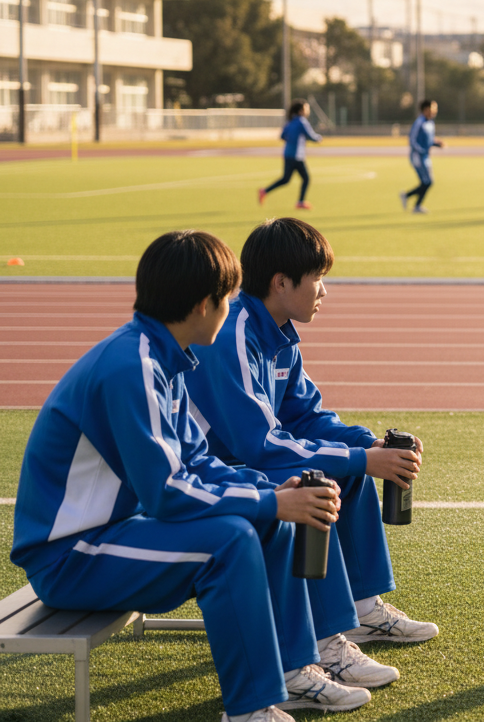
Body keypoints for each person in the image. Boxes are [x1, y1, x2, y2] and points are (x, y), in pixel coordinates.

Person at [11, 231, 370, 721]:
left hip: (116, 533)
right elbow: (166, 493)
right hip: (71, 554)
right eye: (227, 298)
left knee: (273, 519)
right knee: (230, 539)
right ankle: (249, 709)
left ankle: (291, 672)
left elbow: (199, 464)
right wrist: (268, 502)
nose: (233, 307)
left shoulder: (166, 357)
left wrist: (272, 493)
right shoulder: (130, 366)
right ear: (204, 305)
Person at [186, 218, 439, 688]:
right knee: (319, 481)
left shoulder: (278, 333)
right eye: (318, 279)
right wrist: (361, 458)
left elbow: (307, 415)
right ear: (281, 283)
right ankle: (324, 640)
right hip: (218, 473)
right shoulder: (236, 334)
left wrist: (367, 445)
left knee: (349, 461)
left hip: (246, 464)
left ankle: (361, 610)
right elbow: (258, 444)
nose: (325, 291)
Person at [259, 100, 322, 211]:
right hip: (297, 155)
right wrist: (319, 138)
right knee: (306, 178)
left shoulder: (290, 122)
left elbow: (282, 136)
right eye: (306, 108)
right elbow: (311, 136)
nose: (308, 111)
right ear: (301, 110)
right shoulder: (302, 121)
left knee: (286, 179)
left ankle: (265, 191)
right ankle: (300, 202)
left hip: (287, 153)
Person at [401, 99, 444, 214]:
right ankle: (413, 202)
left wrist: (436, 143)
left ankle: (411, 200)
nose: (435, 111)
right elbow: (412, 139)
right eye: (433, 108)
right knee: (427, 182)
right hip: (418, 156)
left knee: (427, 182)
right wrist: (420, 150)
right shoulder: (419, 122)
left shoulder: (430, 123)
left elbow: (428, 140)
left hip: (425, 156)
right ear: (426, 110)